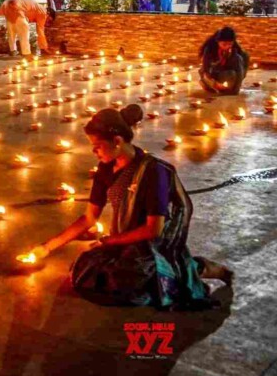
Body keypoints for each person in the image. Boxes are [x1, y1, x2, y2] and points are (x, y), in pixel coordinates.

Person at [26, 105, 232, 309]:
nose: (93, 151)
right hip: (122, 239)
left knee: (133, 280)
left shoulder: (153, 172)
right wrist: (46, 247)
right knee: (85, 271)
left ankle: (209, 269)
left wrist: (111, 241)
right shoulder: (105, 168)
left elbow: (154, 229)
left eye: (97, 146)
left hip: (150, 243)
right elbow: (89, 218)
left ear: (117, 141)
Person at [199, 26, 249, 95]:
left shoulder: (236, 53)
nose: (227, 47)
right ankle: (211, 87)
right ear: (218, 42)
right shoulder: (209, 50)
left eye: (230, 44)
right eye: (224, 44)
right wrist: (213, 83)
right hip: (213, 75)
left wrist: (234, 91)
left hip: (226, 75)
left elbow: (240, 73)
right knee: (203, 75)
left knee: (231, 74)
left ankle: (223, 88)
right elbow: (205, 69)